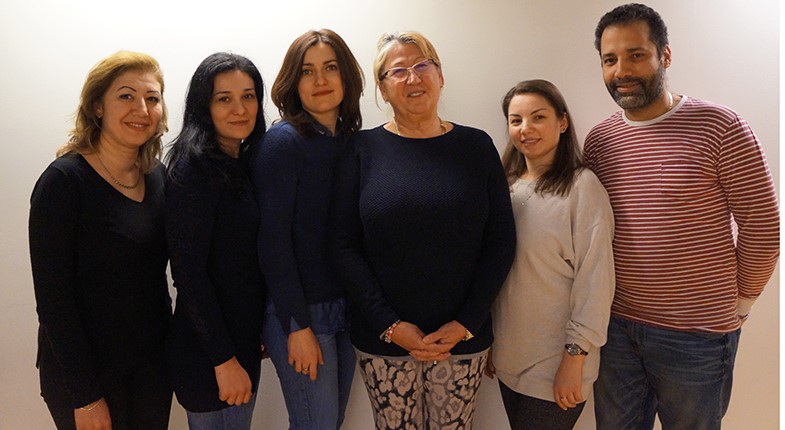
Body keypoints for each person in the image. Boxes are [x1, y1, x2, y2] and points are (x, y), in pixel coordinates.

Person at [585, 4, 780, 430]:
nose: (622, 70)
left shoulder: (721, 127)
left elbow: (762, 227)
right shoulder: (600, 140)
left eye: (636, 55)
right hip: (616, 329)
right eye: (610, 59)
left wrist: (742, 303)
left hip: (697, 337)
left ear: (665, 56)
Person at [330, 31, 516, 429]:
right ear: (382, 89)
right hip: (384, 339)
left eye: (421, 65)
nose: (413, 78)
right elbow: (344, 245)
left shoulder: (477, 147)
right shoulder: (360, 150)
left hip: (461, 339)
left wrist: (467, 322)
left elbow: (500, 241)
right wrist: (390, 325)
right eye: (397, 71)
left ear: (440, 75)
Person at [29, 50, 172, 430]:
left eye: (152, 98)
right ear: (97, 106)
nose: (141, 109)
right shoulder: (63, 183)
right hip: (86, 376)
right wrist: (85, 395)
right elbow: (53, 301)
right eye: (126, 96)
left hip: (150, 369)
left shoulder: (158, 178)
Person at [250, 29, 363, 429]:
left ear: (346, 76)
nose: (320, 80)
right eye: (307, 71)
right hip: (300, 312)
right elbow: (273, 242)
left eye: (330, 68)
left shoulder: (351, 142)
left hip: (346, 309)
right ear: (293, 83)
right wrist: (297, 326)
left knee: (328, 423)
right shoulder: (283, 143)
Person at [485, 79, 615, 430]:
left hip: (557, 365)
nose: (525, 128)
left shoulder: (583, 187)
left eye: (538, 117)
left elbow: (596, 281)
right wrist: (492, 341)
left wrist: (575, 358)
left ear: (562, 122)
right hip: (510, 360)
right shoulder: (506, 187)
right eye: (516, 120)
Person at [165, 52, 267, 430]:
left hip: (239, 343)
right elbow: (188, 275)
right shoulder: (193, 170)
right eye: (224, 98)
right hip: (208, 355)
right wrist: (224, 361)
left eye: (248, 96)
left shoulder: (240, 162)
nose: (240, 109)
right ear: (203, 105)